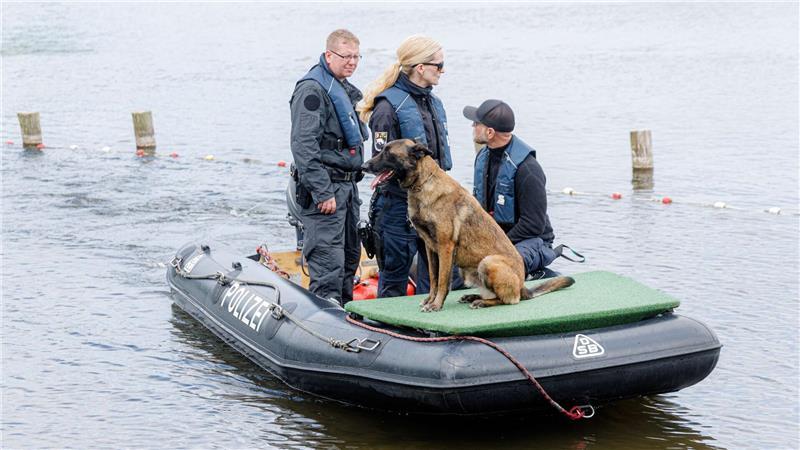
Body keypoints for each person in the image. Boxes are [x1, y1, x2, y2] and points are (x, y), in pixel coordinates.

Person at [358, 35, 460, 298]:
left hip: (434, 205)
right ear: (420, 67)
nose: (443, 70)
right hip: (397, 209)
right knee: (393, 280)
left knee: (436, 277)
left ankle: (434, 328)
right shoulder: (387, 108)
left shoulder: (432, 102)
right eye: (439, 65)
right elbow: (382, 161)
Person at [289, 29, 368, 305]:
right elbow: (303, 145)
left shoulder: (342, 88)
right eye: (346, 56)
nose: (352, 62)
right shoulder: (312, 90)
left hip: (347, 187)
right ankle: (325, 323)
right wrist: (323, 192)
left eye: (357, 57)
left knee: (349, 257)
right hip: (326, 191)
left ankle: (348, 315)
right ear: (328, 55)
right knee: (327, 261)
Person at [463, 99, 558, 277]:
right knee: (459, 266)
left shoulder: (528, 170)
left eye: (476, 123)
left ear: (490, 132)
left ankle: (536, 274)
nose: (472, 126)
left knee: (500, 268)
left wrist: (495, 245)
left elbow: (533, 225)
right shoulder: (483, 156)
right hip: (498, 237)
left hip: (531, 241)